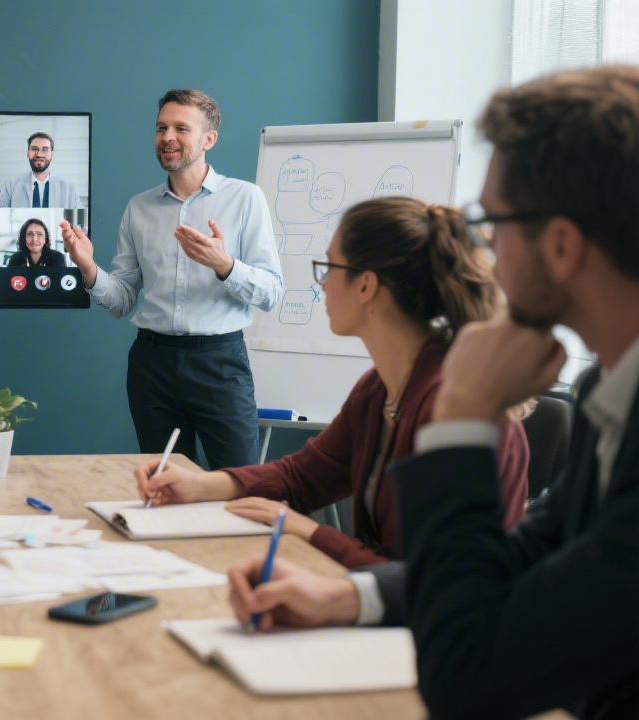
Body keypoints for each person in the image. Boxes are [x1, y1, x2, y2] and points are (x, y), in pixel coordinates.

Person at [228, 65, 639, 719]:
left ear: (561, 245)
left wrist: (464, 420)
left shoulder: (521, 396)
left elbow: (466, 681)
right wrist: (345, 598)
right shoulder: (605, 392)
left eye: (492, 221)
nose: (485, 251)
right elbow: (533, 553)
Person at [134, 197, 528, 568]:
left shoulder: (455, 412)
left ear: (366, 285)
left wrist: (308, 531)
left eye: (330, 268)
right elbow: (302, 477)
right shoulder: (378, 390)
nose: (321, 284)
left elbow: (436, 584)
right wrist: (198, 486)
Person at [62, 89, 283, 468]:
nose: (168, 137)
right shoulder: (139, 207)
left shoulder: (245, 199)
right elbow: (121, 301)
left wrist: (225, 264)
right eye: (162, 127)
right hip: (152, 365)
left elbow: (271, 292)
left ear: (208, 139)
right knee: (167, 487)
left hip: (218, 362)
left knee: (243, 485)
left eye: (181, 128)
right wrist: (88, 268)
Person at [0, 131, 81, 208]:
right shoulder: (11, 186)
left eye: (45, 149)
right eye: (34, 149)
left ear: (52, 155)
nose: (39, 154)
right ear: (27, 153)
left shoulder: (69, 188)